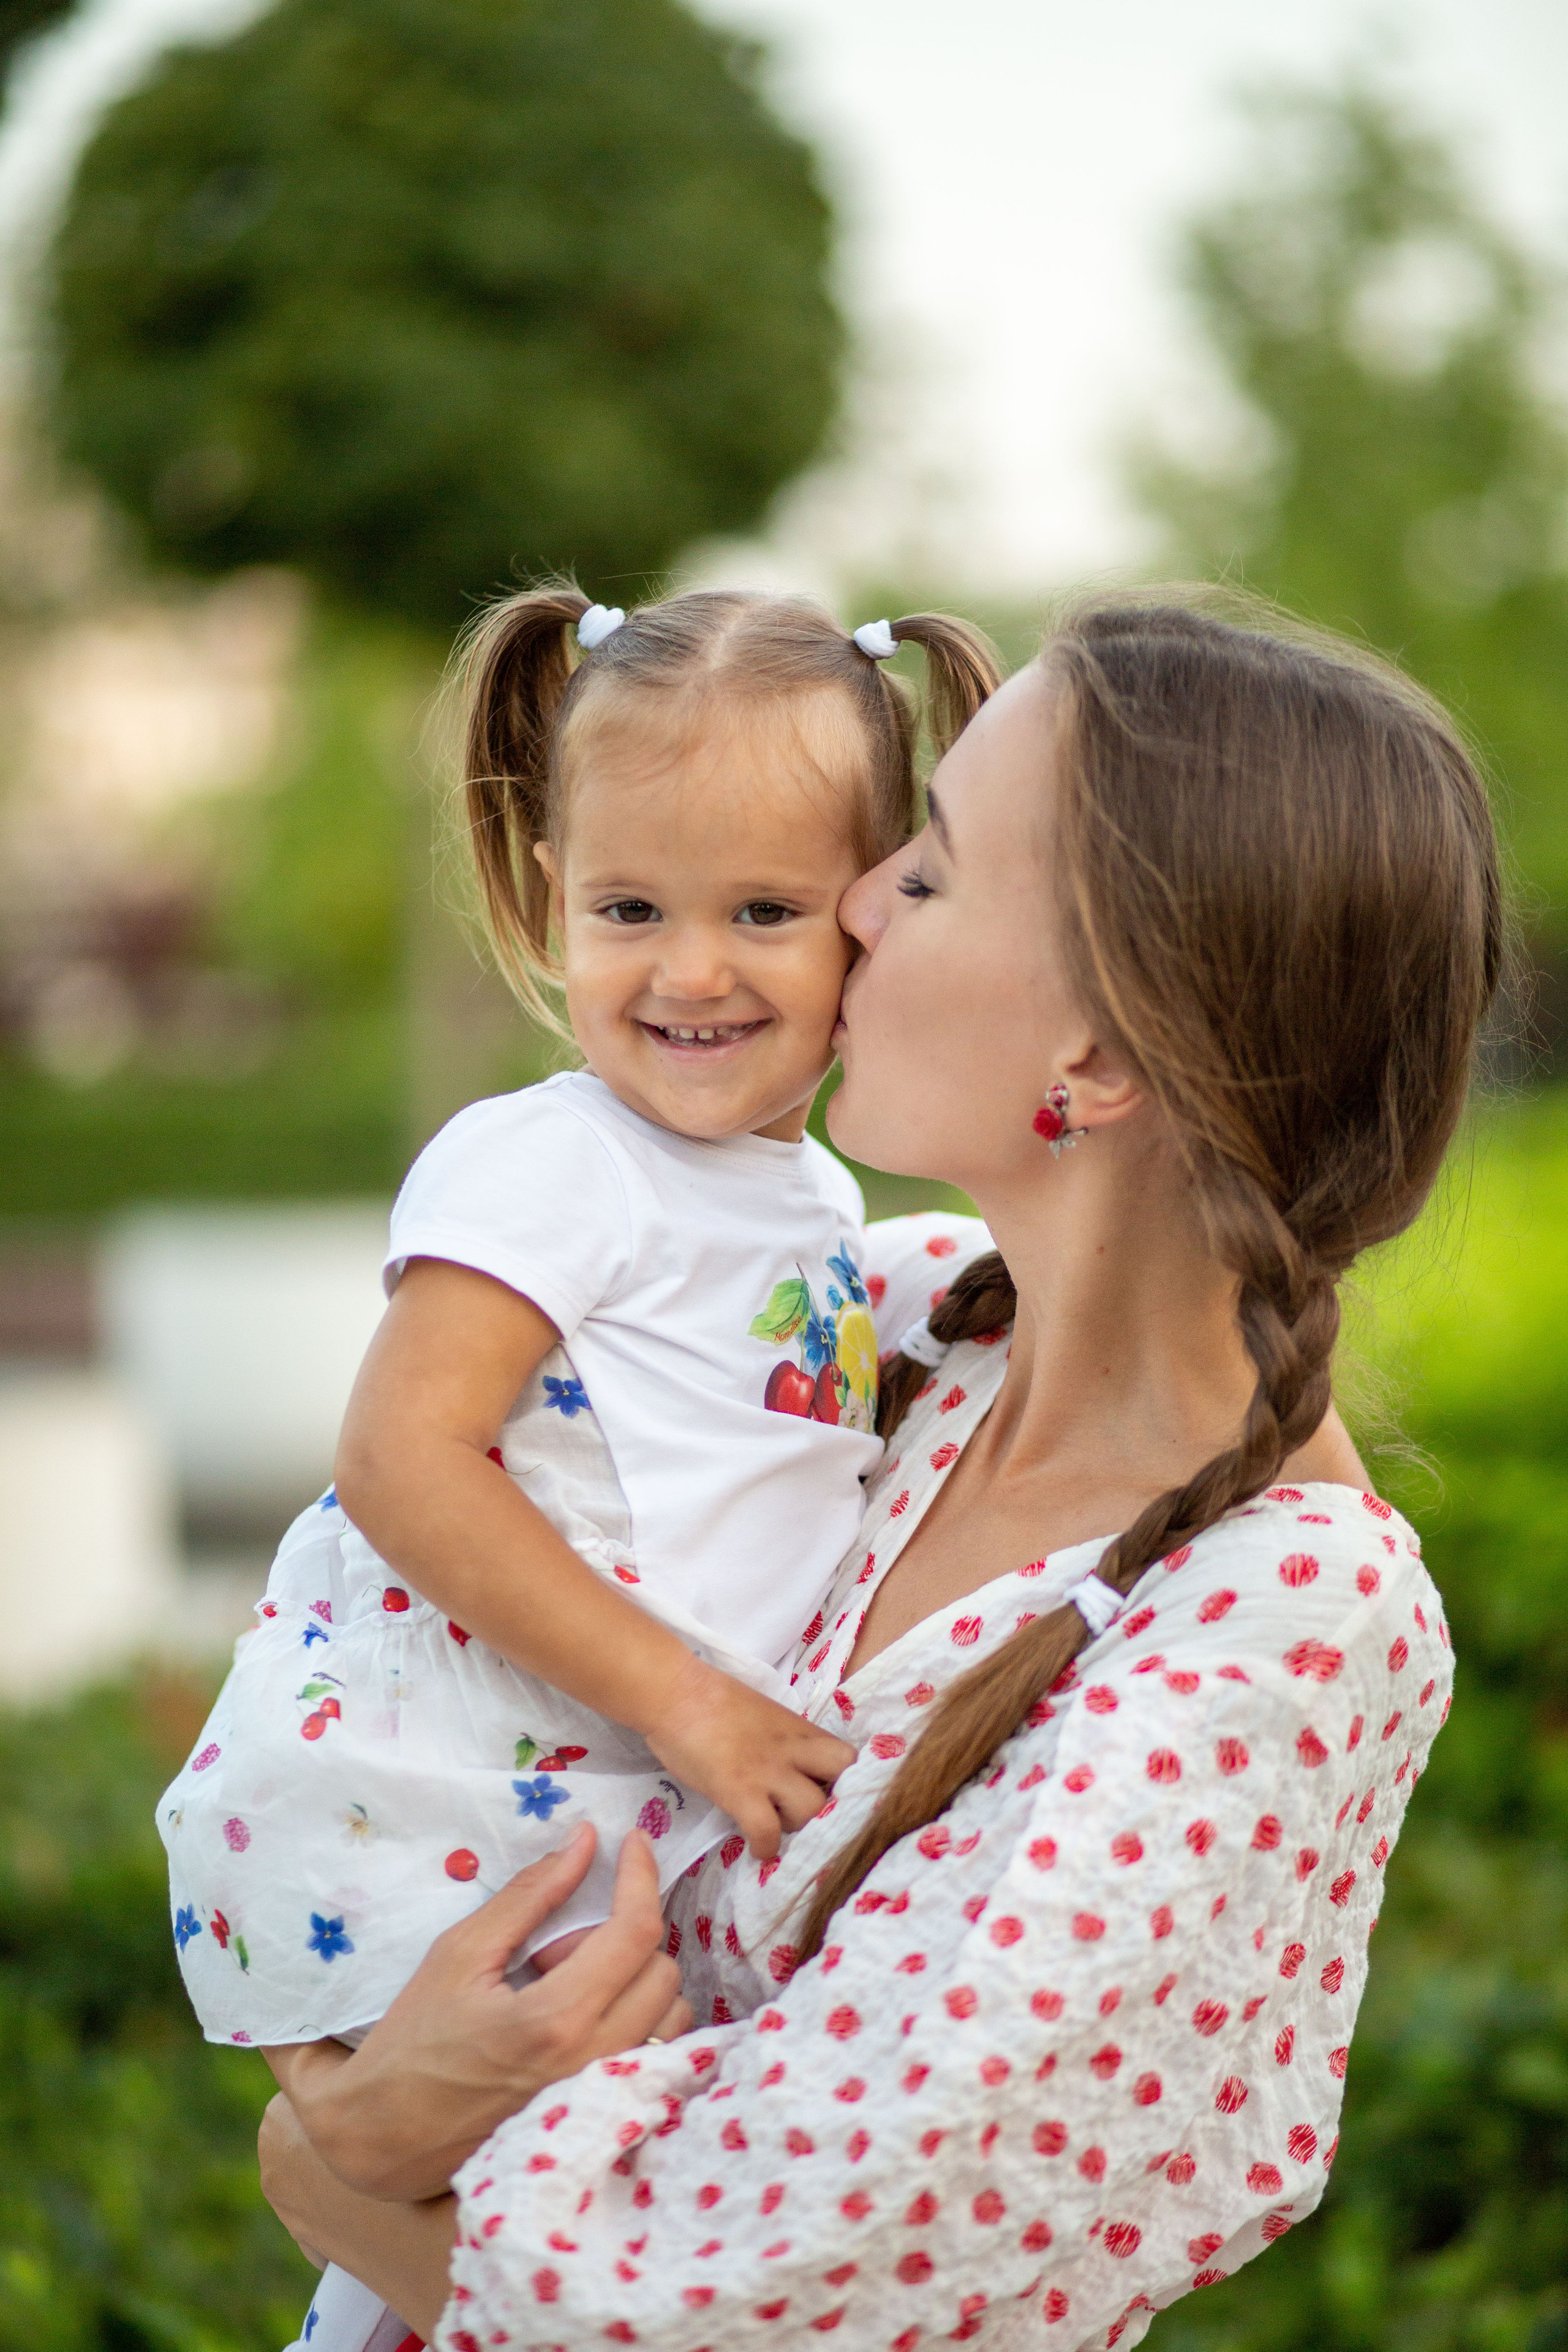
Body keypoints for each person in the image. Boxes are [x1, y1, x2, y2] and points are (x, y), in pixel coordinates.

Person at [256, 594, 1502, 2352]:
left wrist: (343, 2154)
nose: (848, 900)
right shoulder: (892, 1332)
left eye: (925, 868)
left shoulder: (1282, 1625)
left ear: (1101, 1053)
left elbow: (768, 2292)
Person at [156, 586, 1000, 2352]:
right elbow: (401, 1454)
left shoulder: (822, 1202)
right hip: (482, 1806)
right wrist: (689, 1705)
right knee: (522, 2247)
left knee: (525, 2260)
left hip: (620, 1812)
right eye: (631, 909)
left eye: (764, 912)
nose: (689, 971)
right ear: (552, 894)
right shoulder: (550, 1162)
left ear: (874, 913)